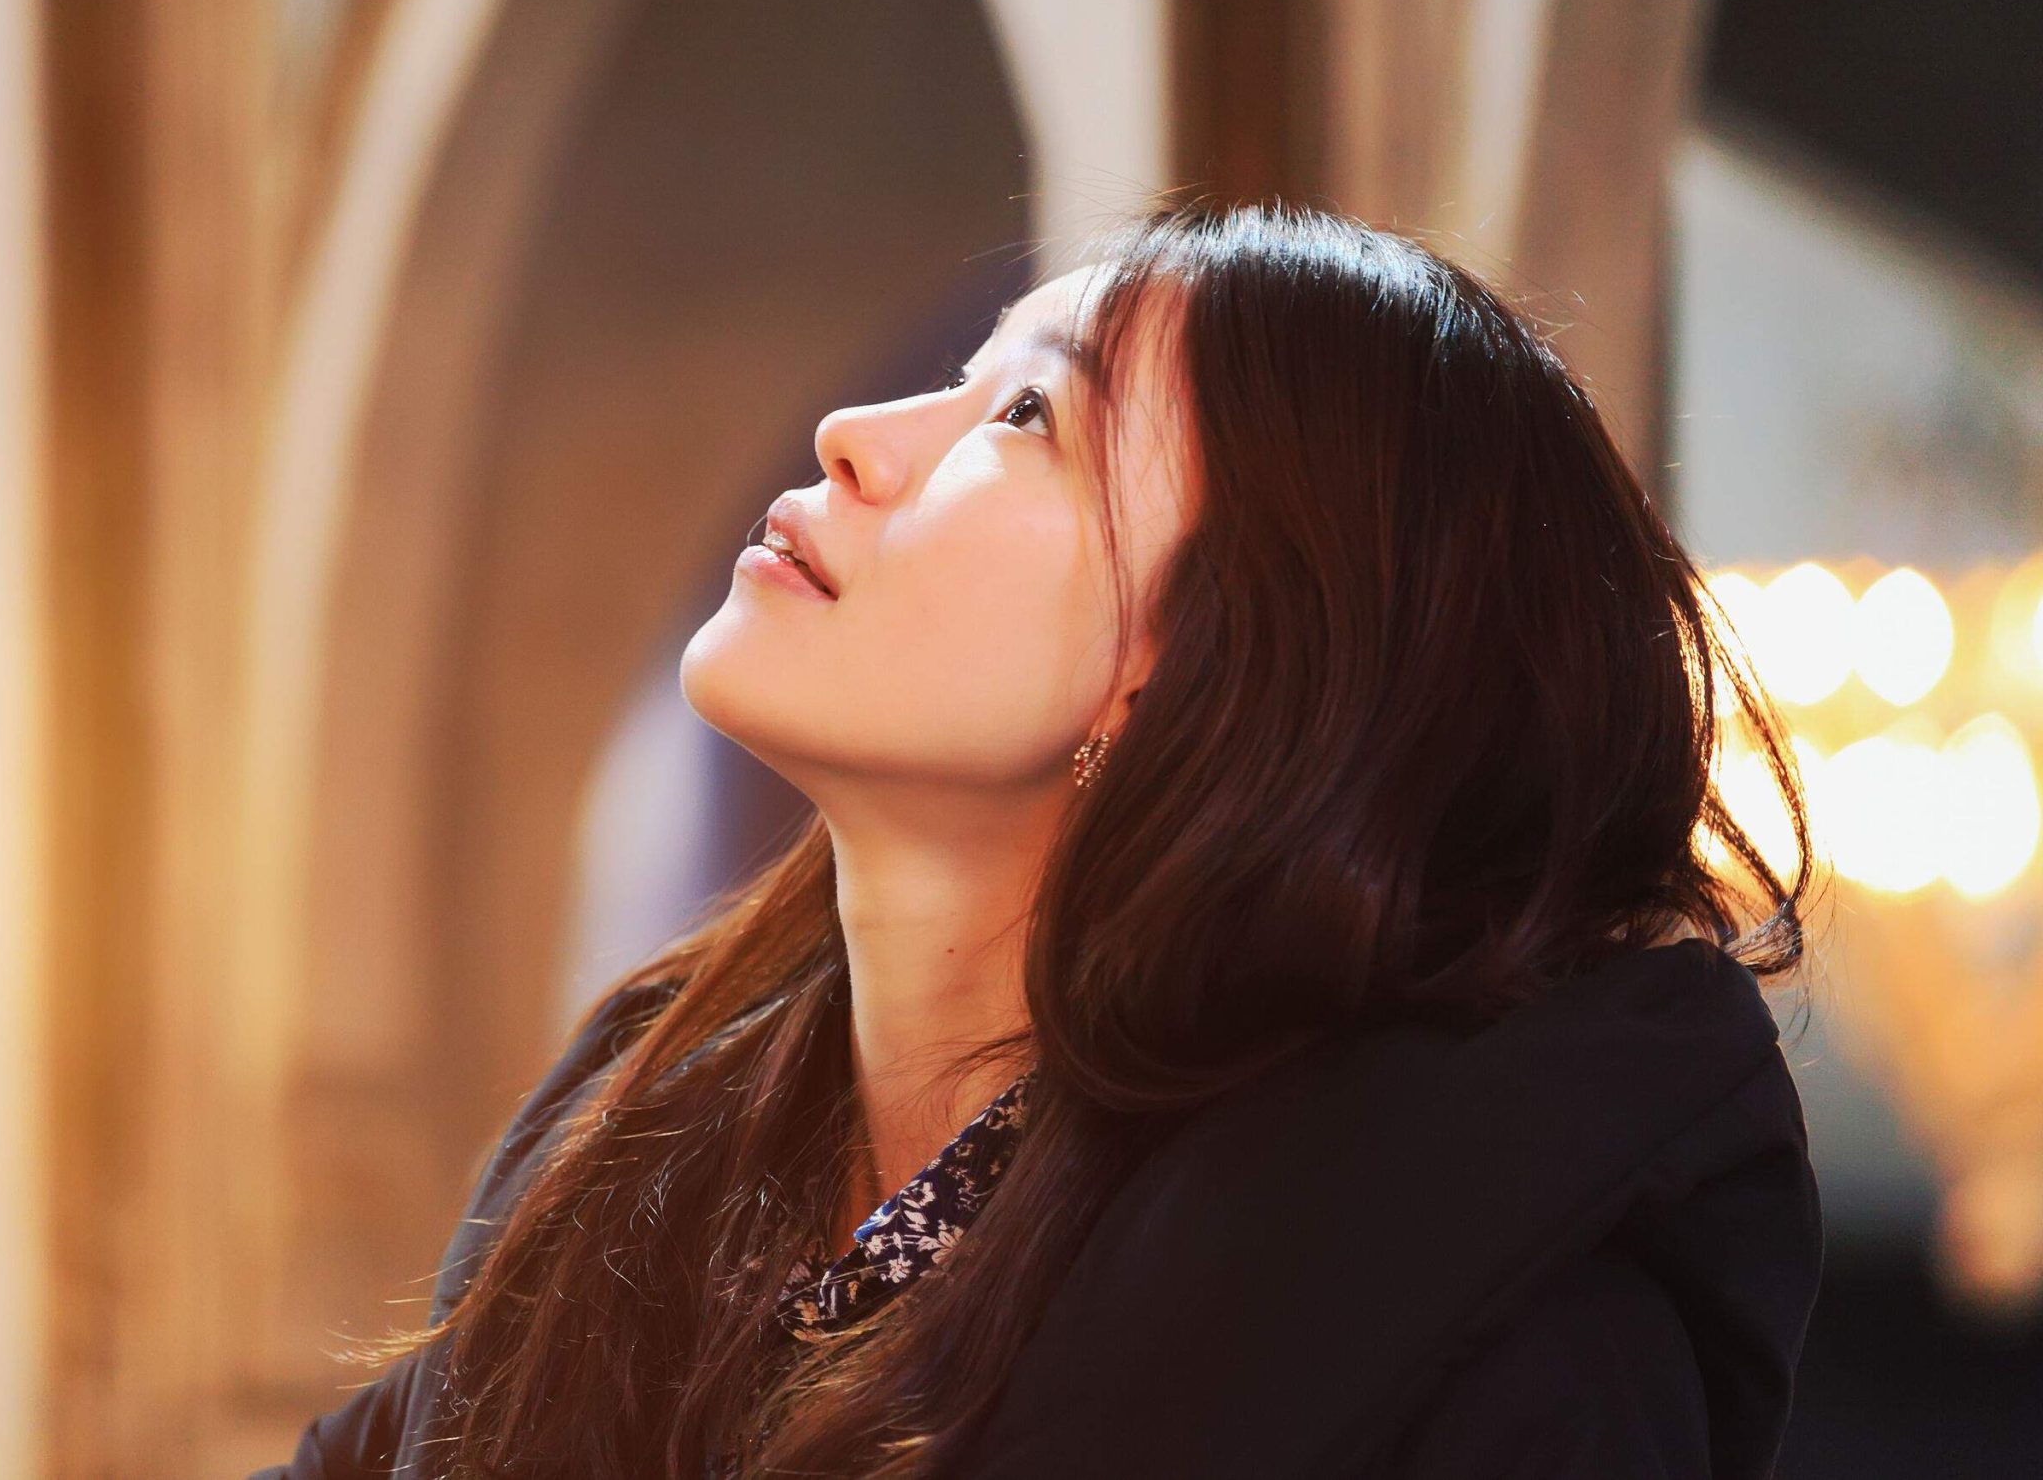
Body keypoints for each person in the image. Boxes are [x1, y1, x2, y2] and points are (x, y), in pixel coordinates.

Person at [253, 198, 1825, 1479]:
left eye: (1022, 413)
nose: (857, 434)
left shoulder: (1493, 1348)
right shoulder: (643, 1166)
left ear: (1203, 673)